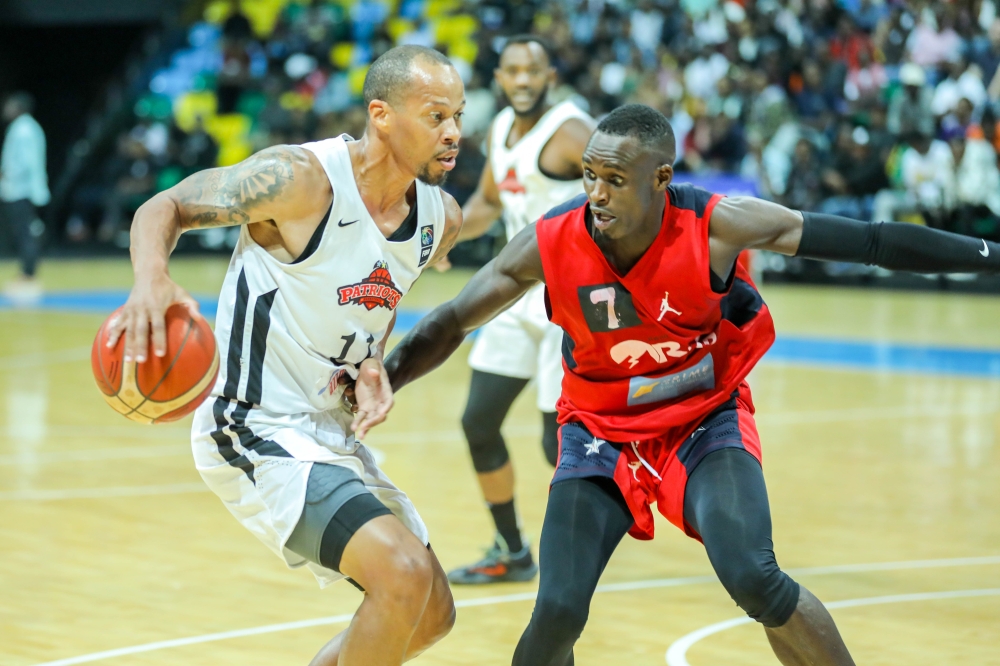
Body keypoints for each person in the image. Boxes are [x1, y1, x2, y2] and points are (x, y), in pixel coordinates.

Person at [384, 104, 1000, 665]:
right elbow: (451, 320)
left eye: (615, 180)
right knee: (559, 611)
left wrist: (988, 254)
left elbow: (869, 242)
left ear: (661, 178)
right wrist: (388, 377)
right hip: (601, 431)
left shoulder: (716, 225)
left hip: (702, 420)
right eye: (589, 176)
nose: (596, 194)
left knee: (754, 576)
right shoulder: (553, 239)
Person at [106, 45, 465, 666]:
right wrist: (150, 280)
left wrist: (373, 361)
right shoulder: (300, 181)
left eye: (458, 115)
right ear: (381, 114)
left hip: (331, 432)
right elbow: (164, 207)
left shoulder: (439, 220)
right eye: (436, 116)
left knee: (431, 614)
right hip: (252, 422)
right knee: (402, 577)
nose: (454, 132)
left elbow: (372, 292)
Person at [447, 34, 595, 585]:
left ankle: (587, 542)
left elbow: (625, 185)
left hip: (566, 302)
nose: (524, 80)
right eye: (514, 71)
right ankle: (512, 550)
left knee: (555, 444)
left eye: (533, 71)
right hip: (515, 297)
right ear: (501, 78)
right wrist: (445, 239)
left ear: (550, 74)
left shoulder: (572, 131)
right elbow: (489, 201)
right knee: (478, 422)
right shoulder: (504, 128)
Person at [0, 92, 49, 302]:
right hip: (19, 189)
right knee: (23, 233)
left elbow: (27, 162)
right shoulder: (24, 127)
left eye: (10, 105)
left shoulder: (24, 129)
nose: (6, 108)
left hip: (23, 190)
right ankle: (26, 273)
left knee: (26, 233)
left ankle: (29, 275)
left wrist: (7, 174)